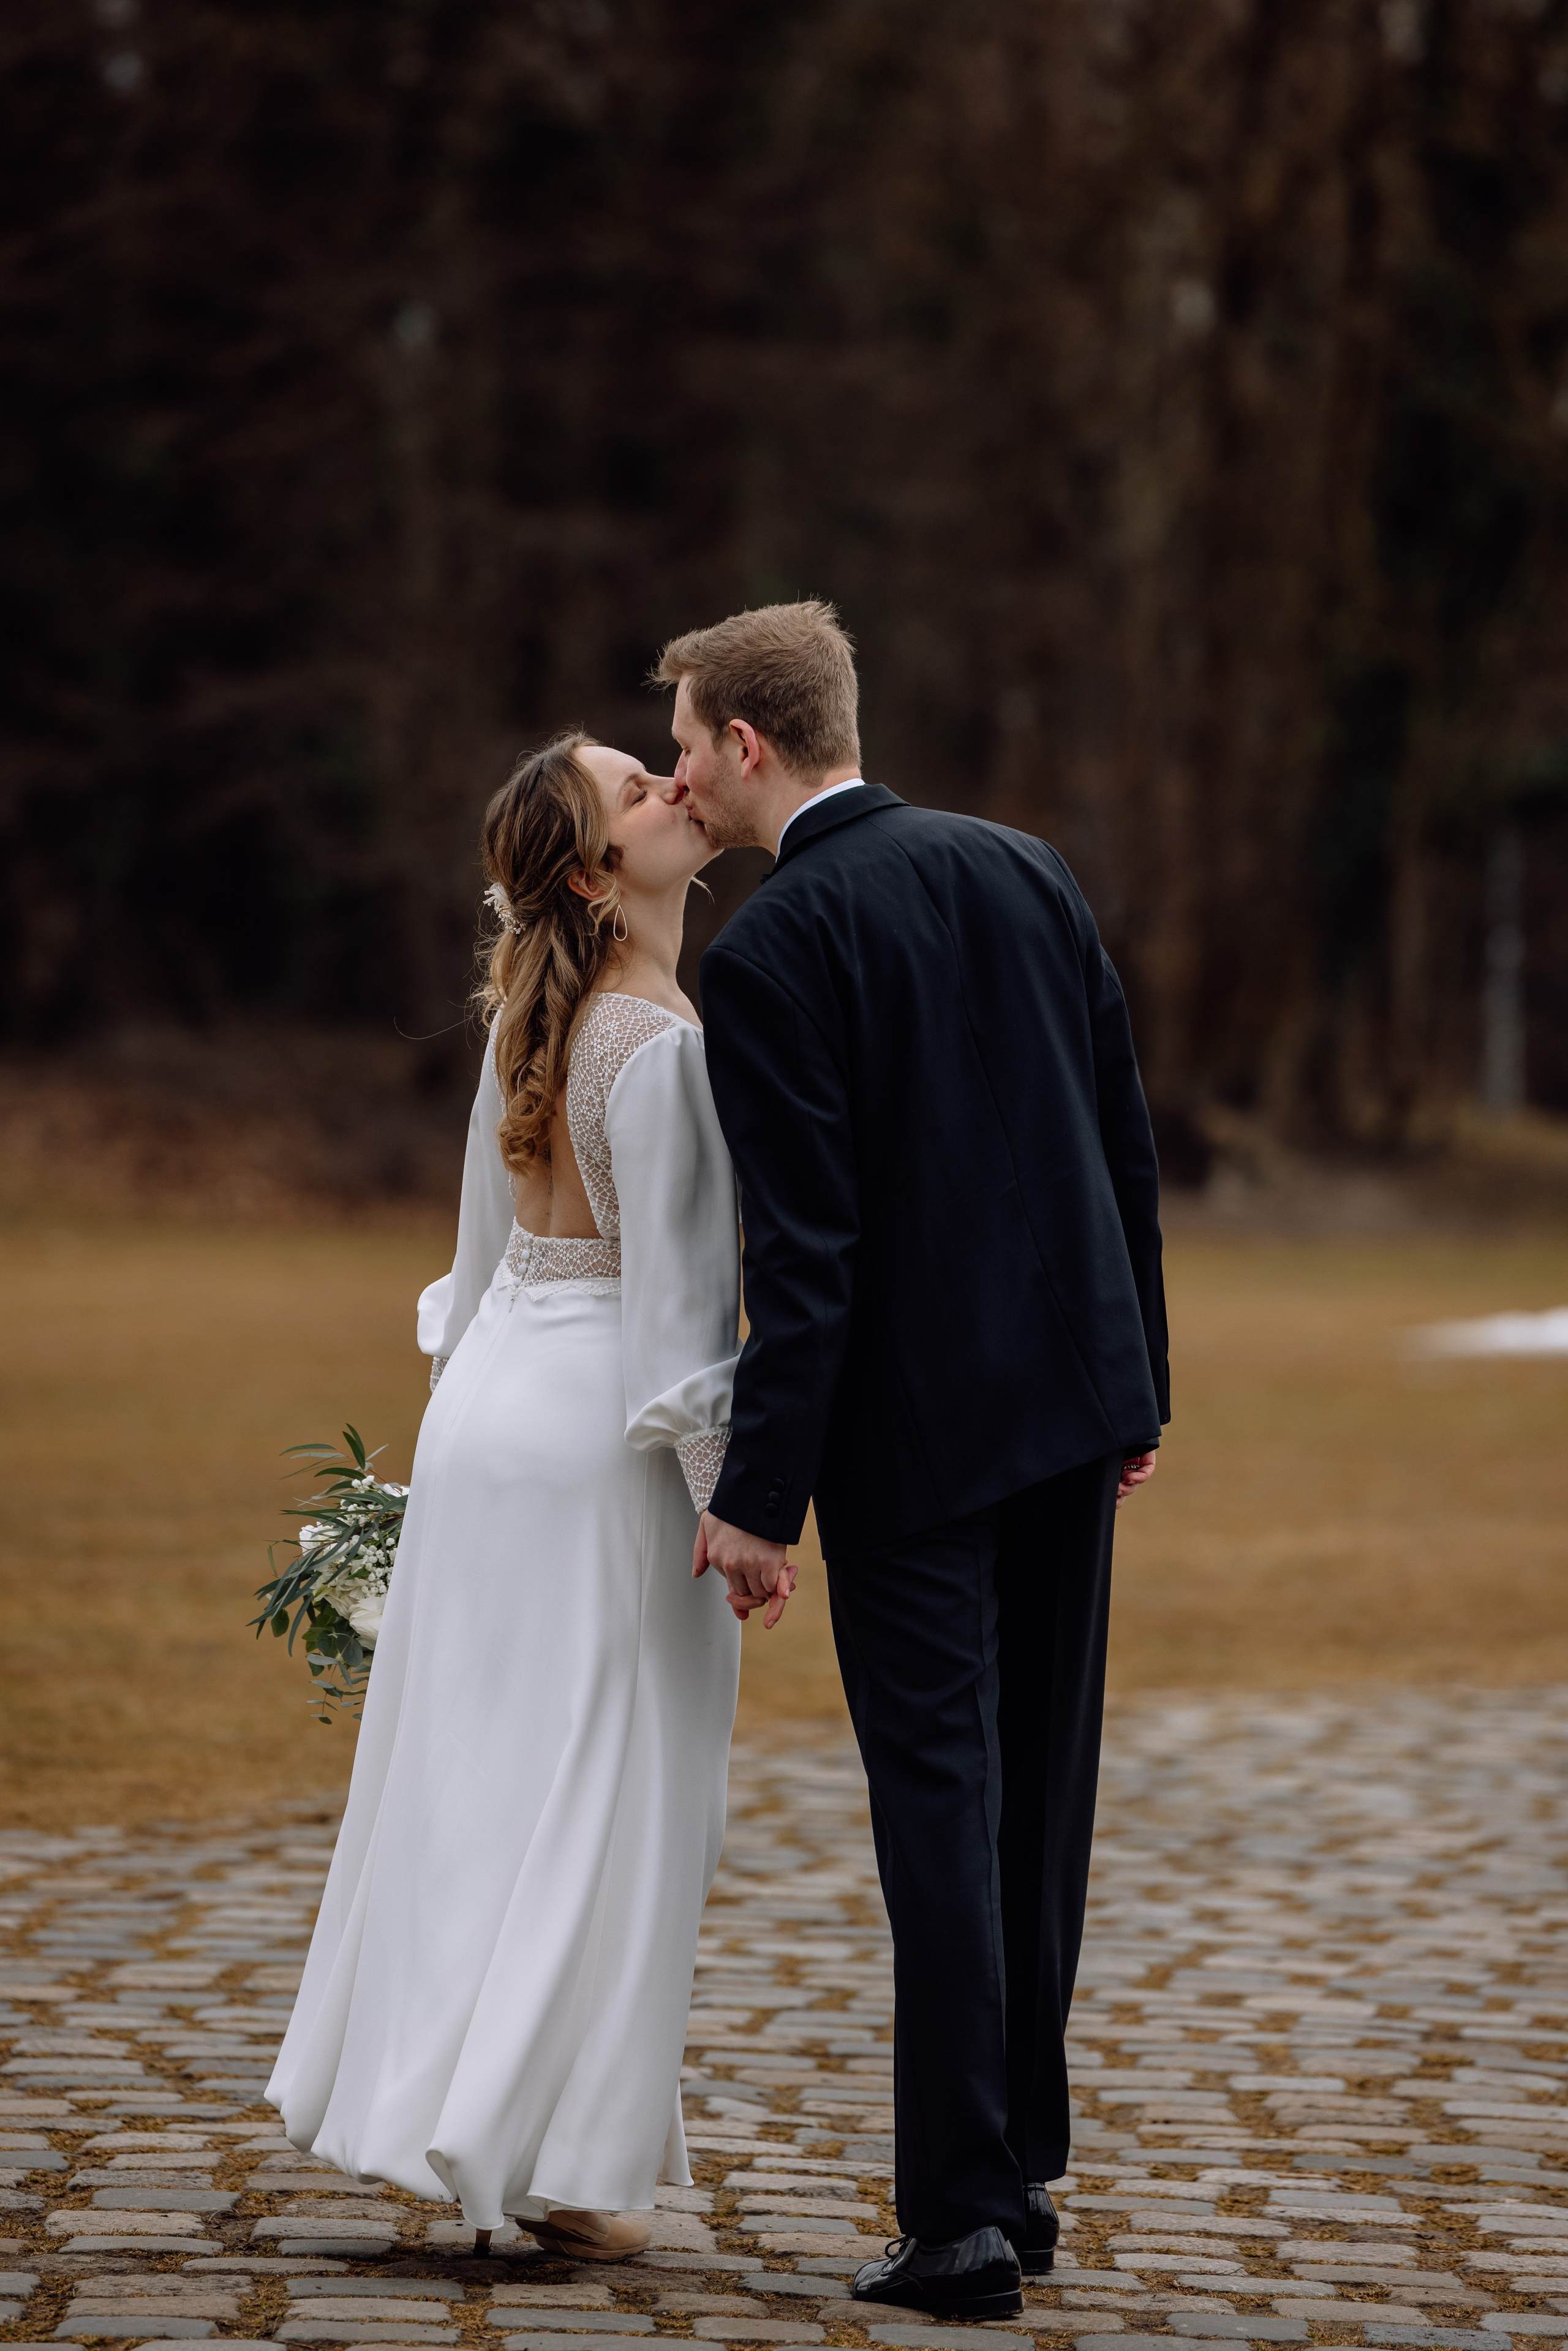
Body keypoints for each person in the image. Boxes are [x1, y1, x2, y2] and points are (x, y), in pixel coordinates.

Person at [653, 602, 1169, 2320]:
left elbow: (814, 1257)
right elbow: (1121, 1143)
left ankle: (957, 2221)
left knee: (942, 1806)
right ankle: (1013, 2172)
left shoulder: (777, 945)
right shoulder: (1024, 866)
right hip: (1070, 1405)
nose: (676, 774)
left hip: (917, 1446)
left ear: (748, 742)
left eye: (684, 739)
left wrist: (754, 1497)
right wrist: (1139, 1383)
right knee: (1041, 1793)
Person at [267, 731, 743, 2261]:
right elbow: (679, 1329)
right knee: (615, 1792)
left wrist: (435, 1459)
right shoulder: (654, 1036)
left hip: (489, 1417)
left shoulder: (536, 1023)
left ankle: (470, 2111)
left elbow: (476, 1273)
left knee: (485, 1777)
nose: (673, 787)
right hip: (601, 1438)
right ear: (599, 871)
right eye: (636, 788)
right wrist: (737, 1505)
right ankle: (576, 2170)